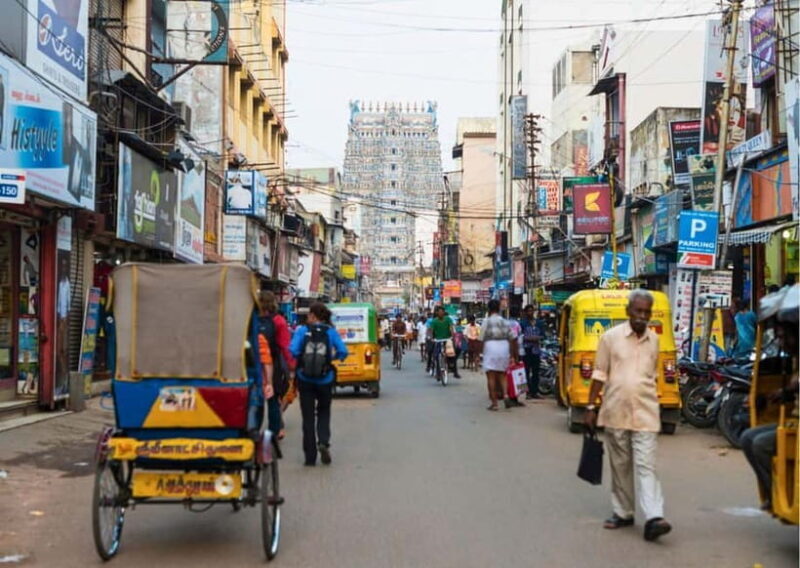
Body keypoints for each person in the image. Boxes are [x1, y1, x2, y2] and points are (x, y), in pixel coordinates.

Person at [585, 289, 672, 542]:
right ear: (628, 311)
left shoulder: (654, 340)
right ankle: (623, 513)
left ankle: (655, 517)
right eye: (638, 311)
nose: (642, 316)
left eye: (647, 312)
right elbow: (599, 374)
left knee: (646, 465)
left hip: (646, 412)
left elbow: (652, 375)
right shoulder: (610, 338)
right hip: (615, 411)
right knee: (620, 465)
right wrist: (590, 408)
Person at [740, 317, 798, 510]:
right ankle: (773, 492)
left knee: (760, 444)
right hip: (794, 423)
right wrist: (784, 393)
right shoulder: (795, 361)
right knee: (747, 438)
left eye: (783, 338)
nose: (781, 343)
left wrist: (790, 389)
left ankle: (780, 494)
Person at [290, 303, 349, 466]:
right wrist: (330, 359)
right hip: (325, 379)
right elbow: (343, 352)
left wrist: (303, 359)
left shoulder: (302, 331)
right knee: (323, 412)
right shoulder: (330, 332)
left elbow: (293, 350)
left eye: (309, 315)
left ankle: (310, 456)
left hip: (305, 379)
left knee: (307, 417)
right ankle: (323, 442)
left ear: (314, 316)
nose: (308, 317)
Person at [258, 291, 296, 436]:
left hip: (252, 364)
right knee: (273, 399)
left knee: (255, 399)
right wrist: (292, 365)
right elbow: (285, 346)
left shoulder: (251, 319)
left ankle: (252, 431)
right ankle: (276, 430)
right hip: (272, 365)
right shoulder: (278, 321)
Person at [480, 300, 516, 410]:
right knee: (503, 374)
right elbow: (513, 338)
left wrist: (478, 354)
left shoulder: (486, 321)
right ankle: (505, 395)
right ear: (499, 309)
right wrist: (513, 354)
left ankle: (495, 403)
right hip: (504, 347)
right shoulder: (505, 322)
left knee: (491, 376)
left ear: (489, 309)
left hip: (491, 346)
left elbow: (480, 338)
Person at [429, 306, 461, 379]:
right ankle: (438, 373)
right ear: (437, 313)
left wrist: (453, 335)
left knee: (455, 351)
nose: (440, 313)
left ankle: (455, 371)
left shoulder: (448, 319)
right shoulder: (434, 321)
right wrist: (431, 338)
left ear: (443, 312)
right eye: (439, 312)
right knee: (436, 355)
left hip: (447, 339)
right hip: (438, 340)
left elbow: (451, 327)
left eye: (441, 312)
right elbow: (431, 330)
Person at [520, 305, 543, 400]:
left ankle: (535, 392)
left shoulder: (539, 323)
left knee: (536, 371)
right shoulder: (522, 323)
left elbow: (542, 335)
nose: (530, 313)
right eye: (528, 311)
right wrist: (529, 339)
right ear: (525, 312)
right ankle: (527, 392)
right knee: (525, 371)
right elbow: (521, 336)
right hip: (526, 350)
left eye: (531, 311)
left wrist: (537, 338)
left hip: (536, 350)